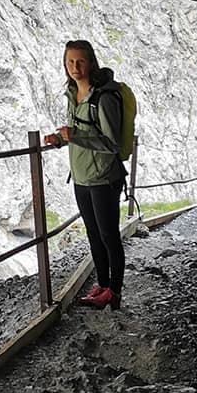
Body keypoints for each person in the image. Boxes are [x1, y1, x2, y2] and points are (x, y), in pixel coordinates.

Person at [44, 39, 125, 310]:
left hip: (104, 178)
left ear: (91, 63)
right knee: (93, 234)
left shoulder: (103, 98)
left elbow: (112, 143)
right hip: (81, 177)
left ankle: (114, 292)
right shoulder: (73, 94)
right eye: (70, 62)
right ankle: (102, 285)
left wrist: (75, 136)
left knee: (109, 236)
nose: (75, 67)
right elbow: (80, 131)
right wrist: (60, 139)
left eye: (80, 61)